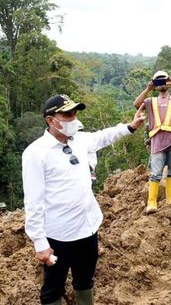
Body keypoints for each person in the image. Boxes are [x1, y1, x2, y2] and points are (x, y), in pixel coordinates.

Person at [22, 94, 145, 305]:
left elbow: (105, 136)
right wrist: (40, 242)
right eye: (67, 114)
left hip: (87, 228)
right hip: (58, 235)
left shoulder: (79, 140)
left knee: (85, 280)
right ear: (51, 120)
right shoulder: (36, 153)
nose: (73, 118)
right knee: (52, 289)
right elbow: (33, 201)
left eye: (75, 112)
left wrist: (131, 126)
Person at [133, 70, 171, 213]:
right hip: (157, 142)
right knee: (156, 173)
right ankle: (151, 202)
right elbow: (136, 104)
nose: (161, 83)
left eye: (163, 80)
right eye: (157, 81)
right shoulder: (150, 101)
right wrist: (148, 88)